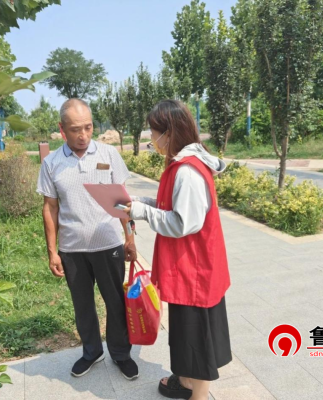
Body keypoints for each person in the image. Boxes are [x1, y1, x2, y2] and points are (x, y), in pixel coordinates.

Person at [124, 100, 232, 400]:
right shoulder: (179, 166)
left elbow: (184, 223)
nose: (151, 139)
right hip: (188, 267)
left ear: (169, 133)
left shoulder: (188, 171)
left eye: (154, 132)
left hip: (195, 271)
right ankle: (185, 381)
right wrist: (138, 203)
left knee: (197, 336)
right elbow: (168, 204)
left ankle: (198, 394)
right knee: (185, 332)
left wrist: (143, 213)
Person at [37, 99, 140, 380]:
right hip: (72, 249)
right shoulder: (52, 163)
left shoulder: (108, 154)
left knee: (116, 303)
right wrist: (52, 252)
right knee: (82, 305)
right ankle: (91, 351)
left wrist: (129, 238)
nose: (83, 135)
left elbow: (122, 201)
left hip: (109, 244)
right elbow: (50, 207)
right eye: (75, 130)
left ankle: (121, 353)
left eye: (88, 127)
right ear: (61, 129)